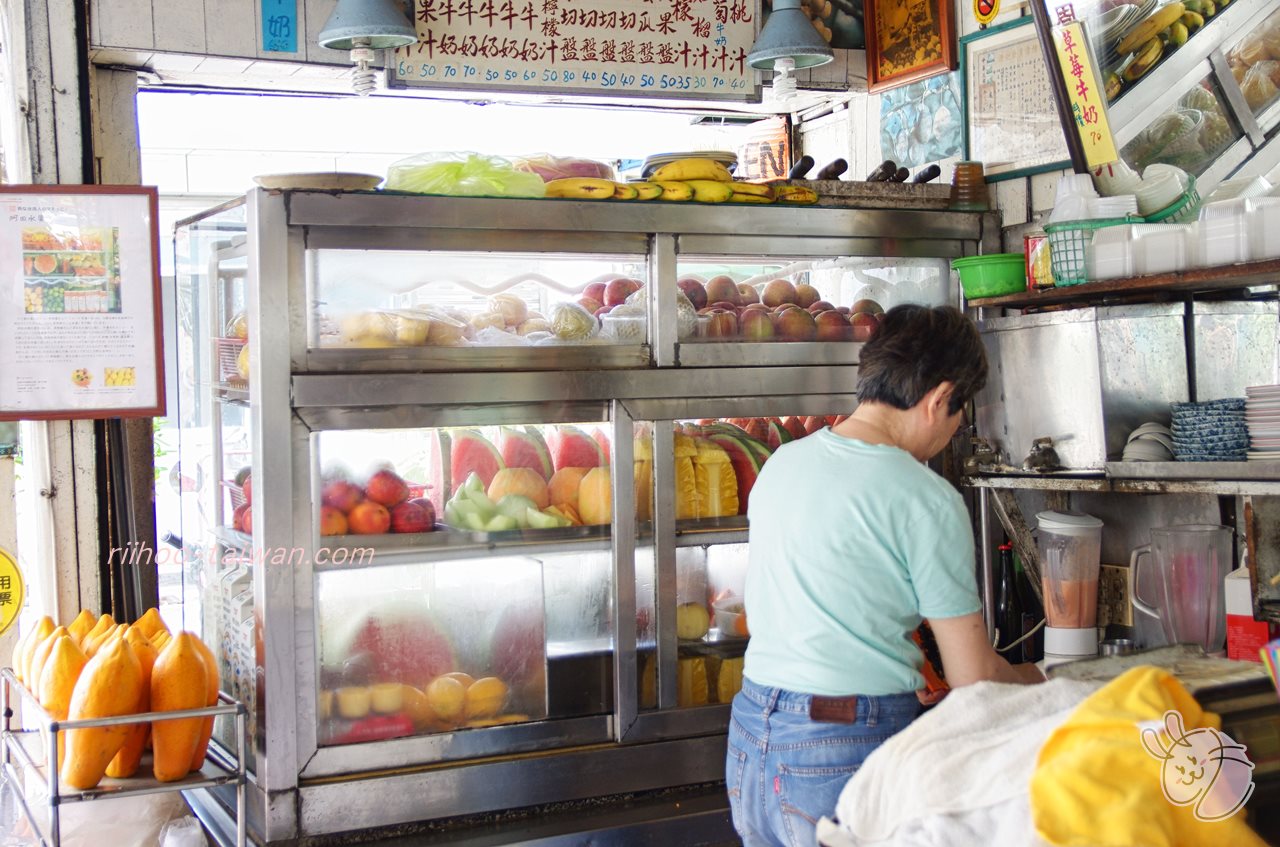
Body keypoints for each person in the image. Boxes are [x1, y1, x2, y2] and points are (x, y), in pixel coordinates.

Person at [725, 303, 1042, 847]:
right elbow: (975, 681)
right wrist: (1041, 682)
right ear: (940, 399)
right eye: (957, 417)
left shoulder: (783, 464)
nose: (953, 432)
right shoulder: (926, 499)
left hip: (752, 737)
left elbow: (828, 605)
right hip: (843, 747)